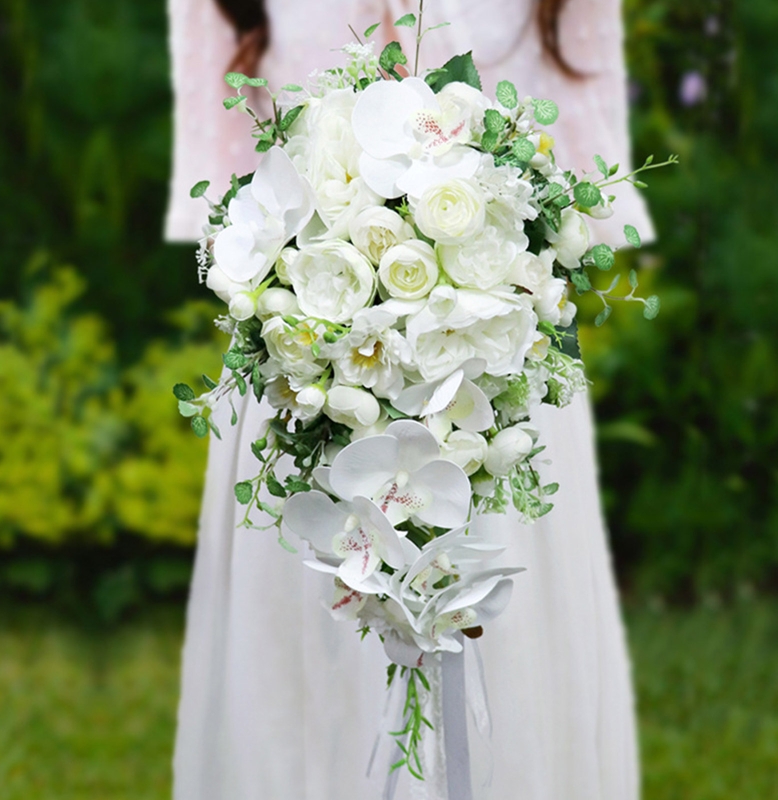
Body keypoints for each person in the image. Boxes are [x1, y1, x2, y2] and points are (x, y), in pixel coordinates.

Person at [165, 1, 654, 798]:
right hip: (305, 363)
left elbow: (581, 195)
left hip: (497, 361)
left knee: (507, 648)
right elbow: (229, 210)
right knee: (305, 662)